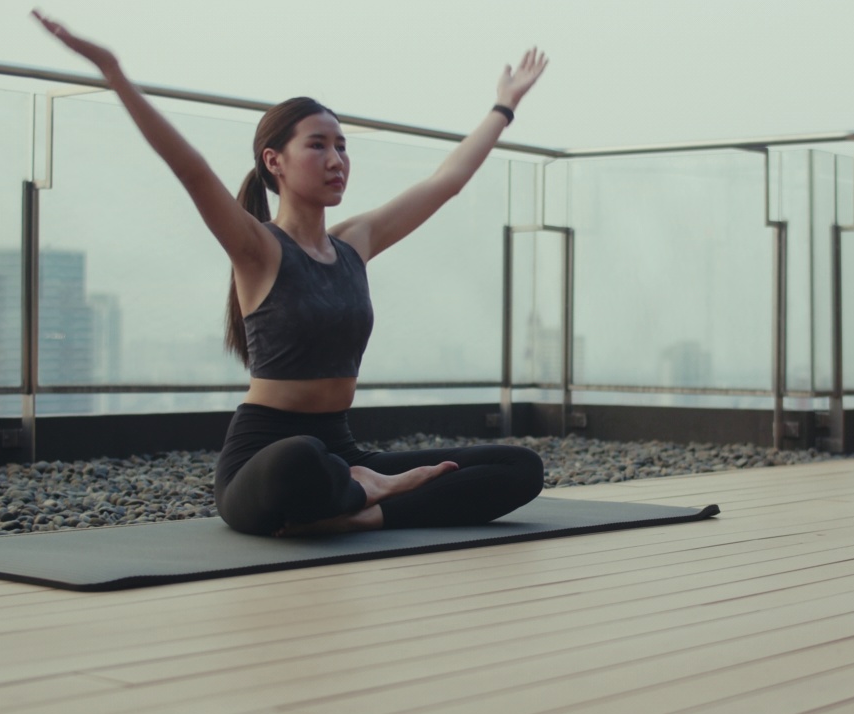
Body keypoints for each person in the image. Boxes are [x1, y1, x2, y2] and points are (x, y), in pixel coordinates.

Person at [32, 10, 548, 536]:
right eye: (318, 145)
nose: (336, 159)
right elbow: (191, 170)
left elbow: (447, 181)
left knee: (520, 466)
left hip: (343, 450)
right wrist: (115, 74)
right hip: (264, 457)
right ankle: (358, 491)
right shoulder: (257, 248)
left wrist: (504, 105)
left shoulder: (355, 242)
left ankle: (366, 506)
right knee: (299, 459)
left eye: (342, 146)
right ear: (274, 161)